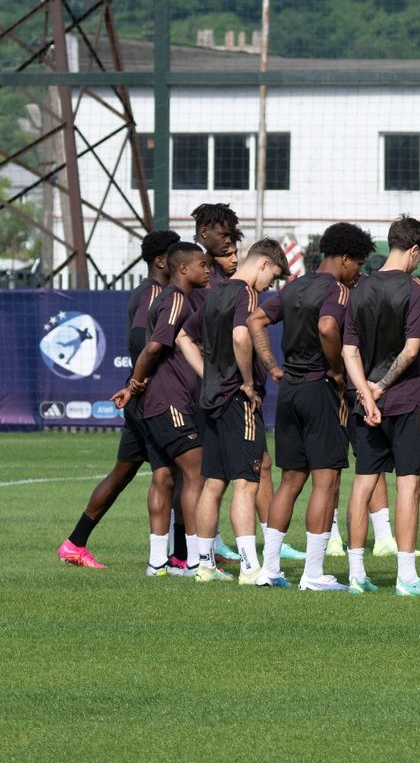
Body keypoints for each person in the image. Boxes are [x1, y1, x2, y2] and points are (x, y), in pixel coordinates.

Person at [59, 228, 180, 570]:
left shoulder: (150, 290)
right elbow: (142, 337)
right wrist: (147, 374)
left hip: (140, 394)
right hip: (149, 395)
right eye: (176, 256)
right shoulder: (154, 292)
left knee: (121, 474)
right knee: (168, 474)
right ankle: (170, 558)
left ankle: (74, 543)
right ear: (162, 261)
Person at [262, 222, 370, 591]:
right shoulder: (337, 290)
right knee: (327, 480)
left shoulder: (293, 286)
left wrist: (271, 365)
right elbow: (327, 327)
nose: (358, 273)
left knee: (290, 481)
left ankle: (269, 569)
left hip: (289, 390)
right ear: (345, 259)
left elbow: (256, 319)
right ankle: (313, 573)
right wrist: (337, 370)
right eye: (358, 264)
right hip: (320, 390)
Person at [339, 215, 420, 596]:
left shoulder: (359, 288)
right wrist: (379, 387)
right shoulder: (413, 289)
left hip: (366, 406)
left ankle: (356, 575)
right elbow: (411, 351)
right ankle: (406, 577)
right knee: (408, 486)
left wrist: (366, 395)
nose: (418, 262)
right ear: (413, 250)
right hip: (406, 400)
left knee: (363, 483)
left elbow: (349, 351)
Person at [112, 240, 214, 576]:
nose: (207, 269)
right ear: (183, 268)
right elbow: (154, 346)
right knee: (197, 474)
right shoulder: (175, 298)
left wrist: (134, 387)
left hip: (157, 402)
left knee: (164, 477)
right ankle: (197, 561)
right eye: (202, 264)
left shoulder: (171, 297)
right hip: (171, 402)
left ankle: (158, 562)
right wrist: (134, 383)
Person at [193, 238, 289, 586]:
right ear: (263, 264)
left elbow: (185, 337)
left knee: (213, 483)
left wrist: (208, 376)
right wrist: (248, 382)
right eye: (273, 276)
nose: (270, 285)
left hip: (211, 398)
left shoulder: (214, 293)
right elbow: (240, 336)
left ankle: (204, 565)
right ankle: (249, 568)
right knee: (246, 484)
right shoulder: (246, 293)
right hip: (237, 399)